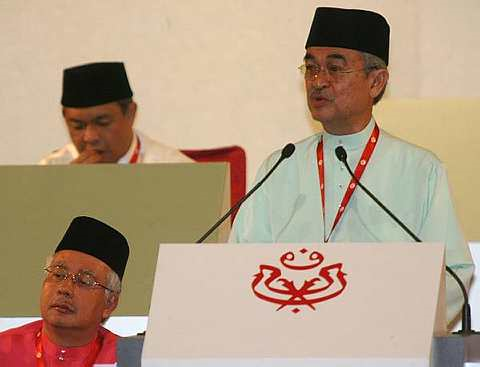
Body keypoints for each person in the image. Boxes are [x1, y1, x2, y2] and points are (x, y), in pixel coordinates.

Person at [229, 7, 474, 326]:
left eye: (335, 68)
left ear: (376, 82)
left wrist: (394, 328)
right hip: (287, 343)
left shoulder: (419, 170)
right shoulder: (279, 167)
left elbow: (452, 274)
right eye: (311, 67)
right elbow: (238, 267)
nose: (318, 81)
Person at [0, 216, 130, 365]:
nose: (64, 288)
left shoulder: (125, 360)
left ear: (109, 303)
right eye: (58, 274)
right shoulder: (4, 351)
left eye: (84, 281)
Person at [40, 62, 192, 164]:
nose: (90, 137)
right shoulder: (52, 172)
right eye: (78, 126)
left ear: (131, 114)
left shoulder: (174, 169)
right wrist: (66, 191)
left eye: (102, 123)